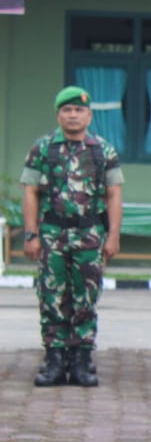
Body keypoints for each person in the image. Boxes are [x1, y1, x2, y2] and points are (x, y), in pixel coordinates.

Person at [21, 85, 124, 387]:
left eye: (79, 110)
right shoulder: (43, 148)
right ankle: (54, 359)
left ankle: (82, 360)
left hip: (90, 235)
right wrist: (30, 234)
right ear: (58, 115)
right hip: (52, 233)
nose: (73, 115)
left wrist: (114, 235)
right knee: (51, 296)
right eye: (67, 110)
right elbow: (30, 192)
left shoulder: (103, 151)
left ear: (89, 115)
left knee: (86, 296)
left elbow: (114, 194)